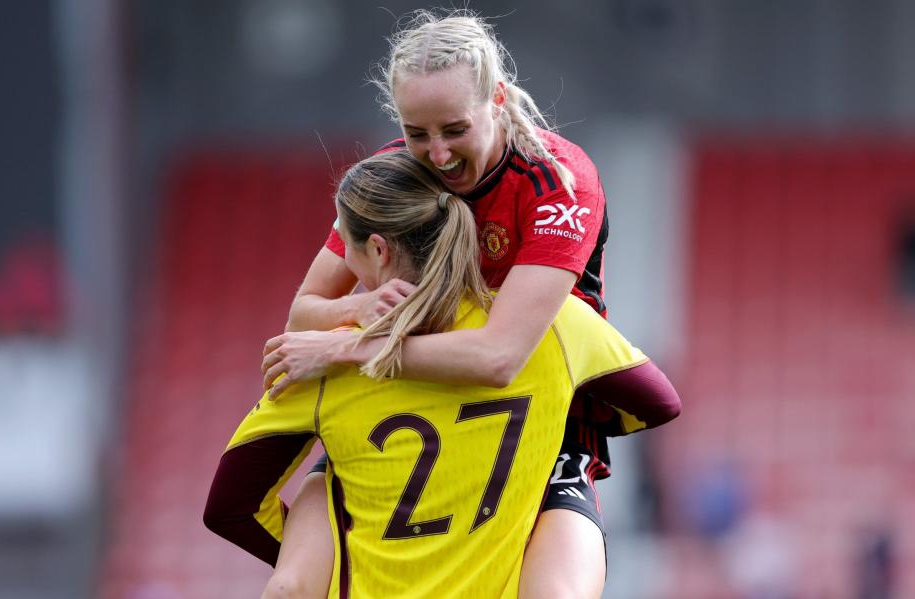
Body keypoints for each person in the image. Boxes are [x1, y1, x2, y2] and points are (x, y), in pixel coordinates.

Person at [258, 9, 681, 597]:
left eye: (455, 129)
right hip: (406, 419)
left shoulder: (557, 183)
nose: (435, 155)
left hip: (528, 430)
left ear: (498, 100)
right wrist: (362, 305)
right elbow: (303, 312)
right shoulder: (389, 176)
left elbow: (499, 357)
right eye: (416, 133)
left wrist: (349, 347)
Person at [204, 150, 680, 598]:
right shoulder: (554, 326)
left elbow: (231, 508)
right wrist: (552, 434)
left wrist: (324, 546)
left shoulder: (321, 360)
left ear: (378, 250)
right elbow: (658, 403)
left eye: (342, 247)